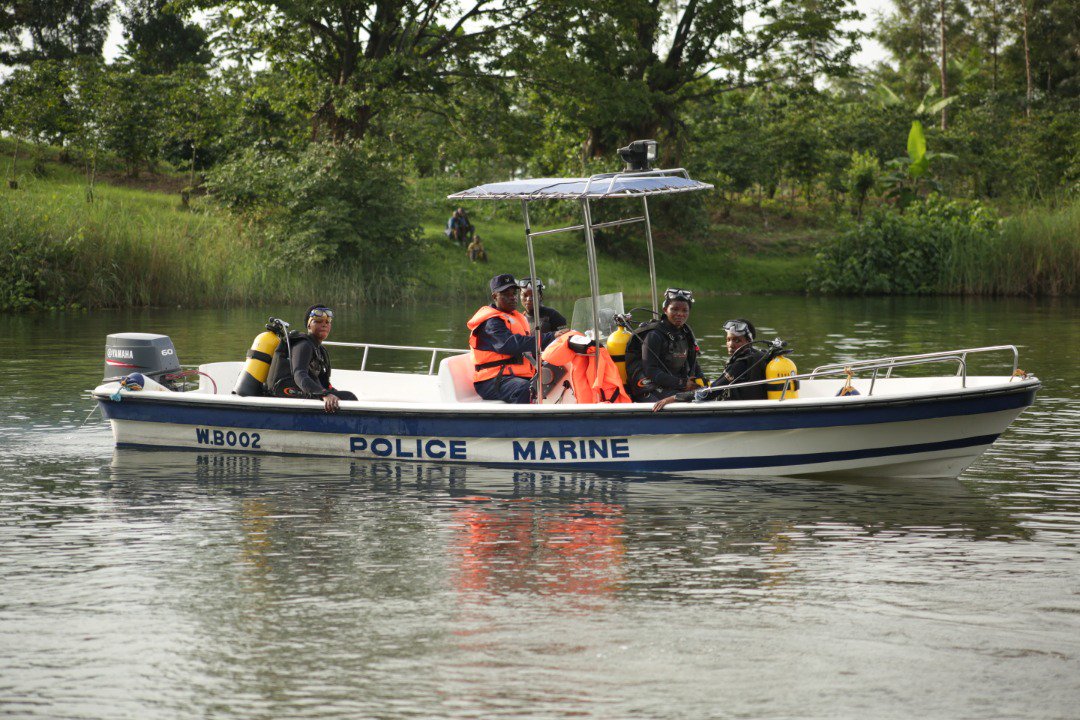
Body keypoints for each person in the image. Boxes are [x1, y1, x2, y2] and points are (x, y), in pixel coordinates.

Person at [467, 273, 564, 403]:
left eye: (514, 293)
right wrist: (549, 337)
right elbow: (510, 344)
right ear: (495, 296)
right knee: (525, 389)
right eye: (506, 294)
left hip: (513, 376)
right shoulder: (491, 322)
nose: (512, 297)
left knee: (558, 380)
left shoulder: (514, 317)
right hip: (492, 380)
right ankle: (522, 423)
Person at [653, 318, 769, 411]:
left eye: (737, 340)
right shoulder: (758, 355)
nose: (731, 344)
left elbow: (712, 391)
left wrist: (674, 398)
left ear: (749, 342)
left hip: (744, 413)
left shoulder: (741, 363)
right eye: (728, 339)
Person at [266, 305, 358, 413]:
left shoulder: (319, 350)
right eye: (318, 321)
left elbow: (324, 383)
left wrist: (331, 393)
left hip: (302, 390)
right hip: (285, 391)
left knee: (346, 396)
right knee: (349, 397)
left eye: (327, 322)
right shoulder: (303, 345)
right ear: (309, 325)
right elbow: (299, 374)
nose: (324, 324)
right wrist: (324, 394)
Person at [630, 288, 705, 402]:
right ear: (665, 310)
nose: (680, 314)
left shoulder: (686, 333)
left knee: (705, 395)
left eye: (685, 310)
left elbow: (694, 364)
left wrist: (703, 382)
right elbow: (651, 370)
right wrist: (682, 383)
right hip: (650, 387)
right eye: (674, 309)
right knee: (687, 400)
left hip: (675, 385)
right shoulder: (654, 335)